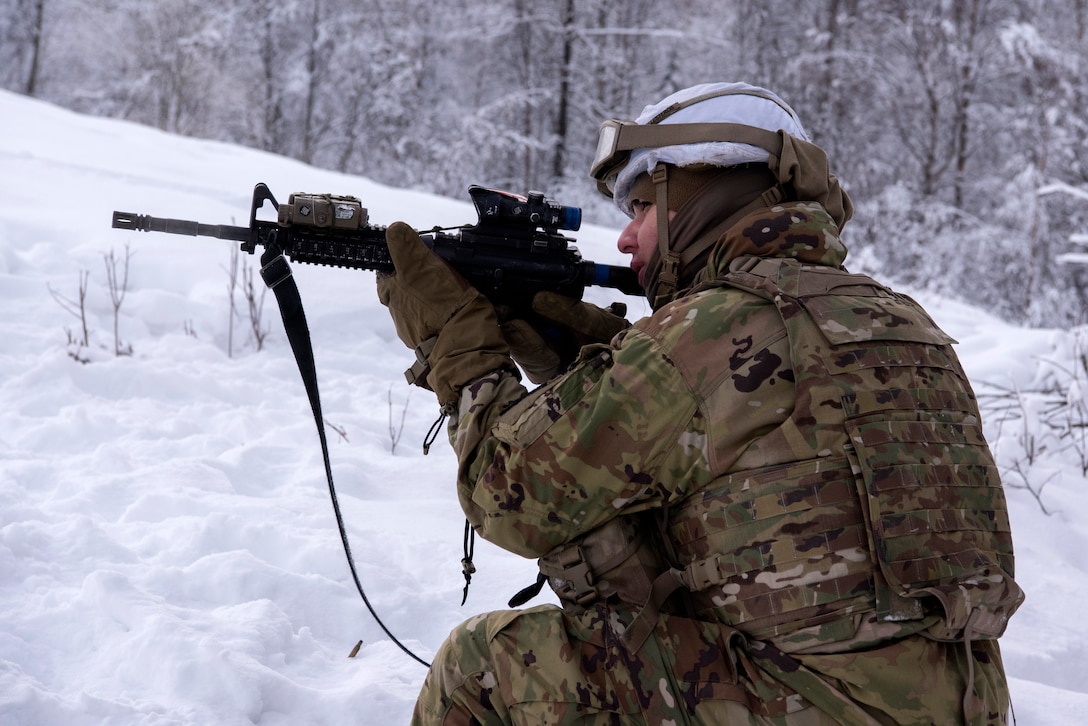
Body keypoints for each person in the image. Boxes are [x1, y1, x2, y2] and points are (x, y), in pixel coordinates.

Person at [376, 82, 1024, 725]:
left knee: (485, 667)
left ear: (694, 193)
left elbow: (507, 494)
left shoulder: (712, 326)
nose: (627, 240)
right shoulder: (902, 321)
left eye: (638, 207)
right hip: (959, 706)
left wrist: (456, 346)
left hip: (806, 707)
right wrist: (602, 360)